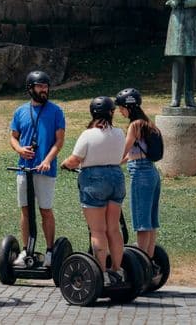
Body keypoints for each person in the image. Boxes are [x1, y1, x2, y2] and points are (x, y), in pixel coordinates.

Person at [60, 96, 127, 286]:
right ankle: (117, 270)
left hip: (94, 179)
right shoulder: (119, 133)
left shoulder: (88, 135)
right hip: (116, 177)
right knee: (113, 229)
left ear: (93, 113)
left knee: (97, 231)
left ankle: (102, 273)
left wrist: (64, 164)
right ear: (111, 113)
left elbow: (75, 160)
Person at [9, 70, 66, 267]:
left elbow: (59, 141)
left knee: (45, 210)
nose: (44, 90)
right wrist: (19, 149)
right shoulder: (20, 112)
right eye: (40, 86)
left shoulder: (56, 111)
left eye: (46, 86)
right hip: (24, 169)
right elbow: (13, 137)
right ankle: (26, 250)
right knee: (25, 210)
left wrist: (48, 160)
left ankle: (50, 251)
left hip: (45, 169)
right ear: (30, 88)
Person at [116, 88, 162, 269]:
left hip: (141, 175)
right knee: (150, 221)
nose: (120, 111)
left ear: (129, 107)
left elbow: (124, 151)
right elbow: (133, 154)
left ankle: (142, 267)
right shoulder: (148, 123)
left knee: (142, 222)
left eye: (121, 108)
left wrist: (107, 162)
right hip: (152, 173)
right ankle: (149, 262)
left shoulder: (135, 125)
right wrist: (118, 163)